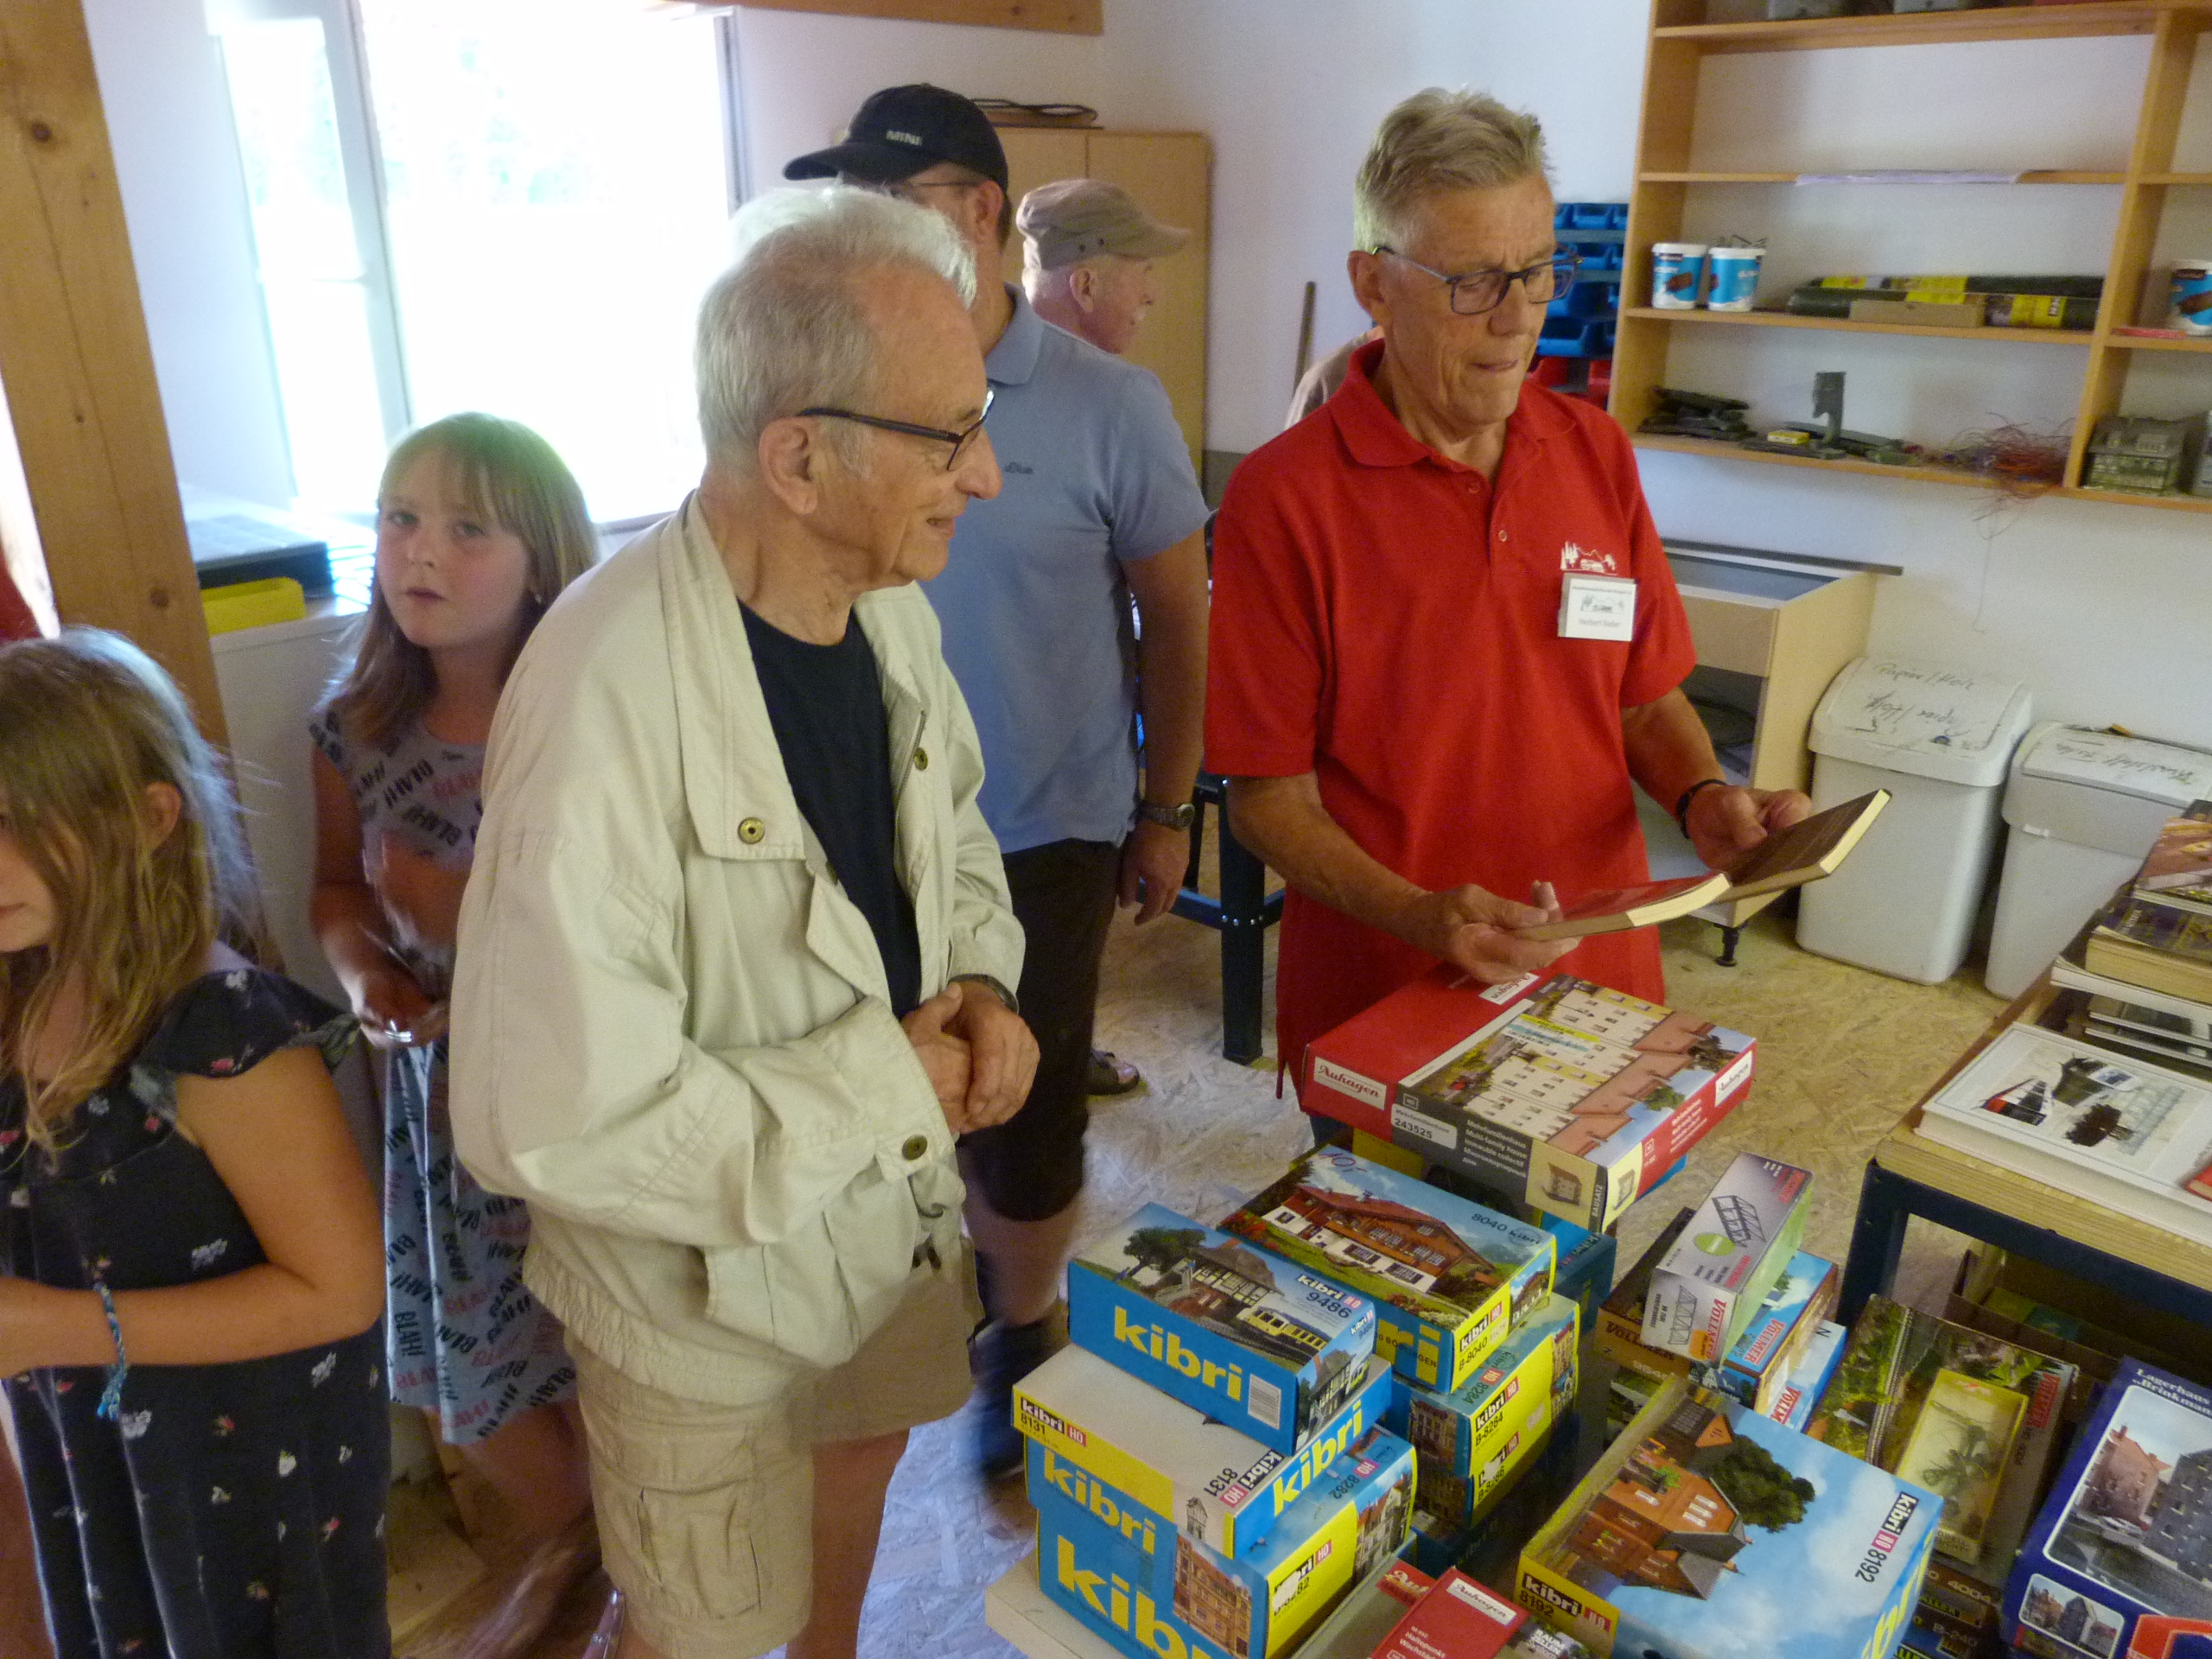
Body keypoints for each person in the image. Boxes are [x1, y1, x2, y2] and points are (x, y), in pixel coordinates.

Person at [448, 186, 1035, 1659]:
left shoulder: (888, 602)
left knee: (859, 1466)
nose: (986, 474)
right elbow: (548, 1124)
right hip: (692, 1299)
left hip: (880, 1215)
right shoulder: (600, 698)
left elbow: (953, 828)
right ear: (799, 458)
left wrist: (982, 981)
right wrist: (889, 1083)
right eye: (950, 434)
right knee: (704, 1622)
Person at [1207, 88, 1811, 1087]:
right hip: (1386, 993)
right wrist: (1416, 914)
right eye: (1473, 282)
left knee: (1596, 1193)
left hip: (1598, 978)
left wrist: (1704, 799)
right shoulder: (1283, 498)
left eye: (1535, 272)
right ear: (1372, 283)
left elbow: (1641, 700)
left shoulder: (1592, 451)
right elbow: (1267, 801)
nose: (1519, 317)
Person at [787, 85, 1212, 1481]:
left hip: (1043, 823)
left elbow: (1179, 616)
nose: (860, 227)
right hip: (865, 832)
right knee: (893, 1091)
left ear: (979, 211)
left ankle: (1023, 1326)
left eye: (891, 199)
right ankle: (941, 1292)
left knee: (1025, 1115)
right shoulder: (838, 388)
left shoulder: (1108, 403)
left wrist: (1166, 808)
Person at [0, 628, 391, 1659]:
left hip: (242, 1478)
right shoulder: (23, 986)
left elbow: (342, 1292)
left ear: (148, 820)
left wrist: (59, 1328)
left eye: (18, 825)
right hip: (97, 1450)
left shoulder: (220, 1033)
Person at [310, 412, 606, 1655]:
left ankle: (612, 1582)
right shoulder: (353, 727)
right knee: (477, 1388)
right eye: (399, 518)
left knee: (601, 1356)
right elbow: (335, 889)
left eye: (467, 527)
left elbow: (623, 945)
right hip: (436, 1114)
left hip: (575, 1106)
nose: (419, 550)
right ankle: (593, 1565)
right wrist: (364, 972)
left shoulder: (590, 729)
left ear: (541, 561)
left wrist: (465, 933)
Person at [1017, 177, 1189, 357]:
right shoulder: (1119, 380)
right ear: (1086, 287)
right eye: (1143, 273)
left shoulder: (1002, 363)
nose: (1151, 296)